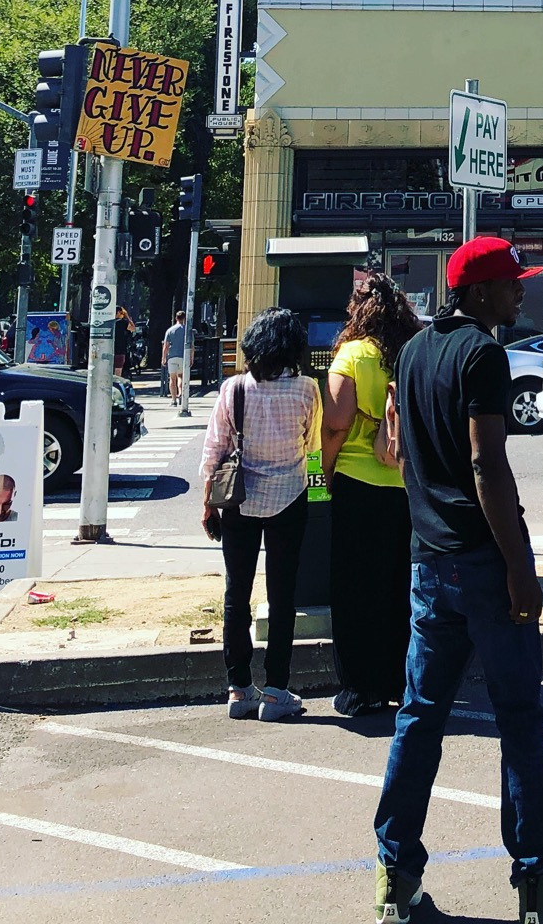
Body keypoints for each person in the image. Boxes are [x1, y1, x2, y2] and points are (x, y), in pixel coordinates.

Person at [373, 236, 543, 924]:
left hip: (429, 564)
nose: (522, 292)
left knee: (420, 717)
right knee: (518, 719)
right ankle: (538, 887)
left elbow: (399, 453)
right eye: (513, 283)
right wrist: (520, 568)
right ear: (480, 292)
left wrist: (432, 517)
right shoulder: (484, 354)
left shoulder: (414, 352)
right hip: (484, 563)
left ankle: (396, 880)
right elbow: (487, 465)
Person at [199, 306, 321, 723]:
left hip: (239, 501)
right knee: (282, 595)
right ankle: (276, 691)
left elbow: (214, 450)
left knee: (237, 594)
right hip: (290, 496)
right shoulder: (307, 389)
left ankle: (238, 689)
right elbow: (313, 440)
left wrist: (207, 502)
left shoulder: (234, 389)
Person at [321, 271, 421, 716]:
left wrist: (317, 479)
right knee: (399, 585)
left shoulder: (352, 354)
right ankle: (401, 680)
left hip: (357, 485)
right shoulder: (413, 349)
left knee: (354, 589)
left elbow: (334, 426)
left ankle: (360, 688)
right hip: (404, 485)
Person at [164, 308, 187, 401]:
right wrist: (192, 357)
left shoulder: (170, 330)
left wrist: (163, 357)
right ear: (184, 318)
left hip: (172, 356)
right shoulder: (187, 331)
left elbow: (166, 346)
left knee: (172, 379)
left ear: (176, 318)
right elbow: (192, 346)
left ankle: (173, 400)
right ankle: (181, 393)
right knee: (180, 376)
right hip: (183, 356)